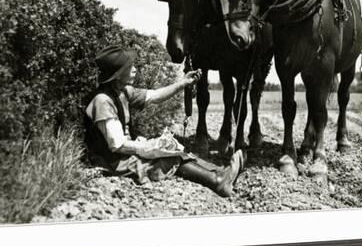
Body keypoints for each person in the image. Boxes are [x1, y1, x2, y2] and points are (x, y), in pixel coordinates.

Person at [84, 45, 243, 197]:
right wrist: (149, 147)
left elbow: (155, 96)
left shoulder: (122, 92)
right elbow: (117, 144)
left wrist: (183, 83)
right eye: (130, 67)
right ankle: (217, 181)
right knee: (170, 157)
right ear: (118, 74)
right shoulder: (102, 101)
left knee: (177, 150)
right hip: (113, 161)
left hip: (123, 152)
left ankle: (220, 172)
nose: (135, 69)